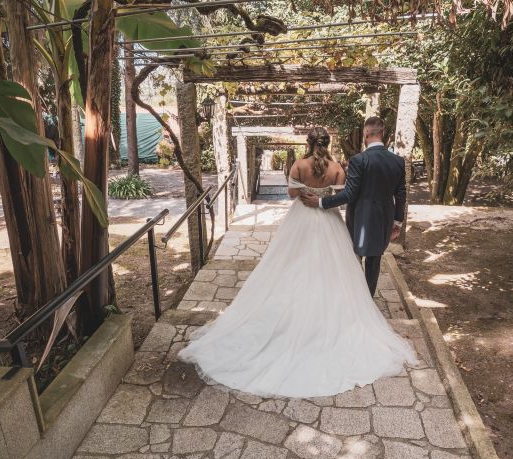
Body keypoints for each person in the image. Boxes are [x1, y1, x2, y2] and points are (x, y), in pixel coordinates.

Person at [177, 126, 417, 398]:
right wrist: (325, 197)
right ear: (328, 142)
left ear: (308, 142)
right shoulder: (338, 167)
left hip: (301, 219)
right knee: (334, 270)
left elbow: (291, 194)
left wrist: (306, 191)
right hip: (329, 222)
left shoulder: (299, 165)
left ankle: (294, 310)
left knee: (289, 265)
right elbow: (344, 195)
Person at [300, 117, 405, 297]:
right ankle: (368, 300)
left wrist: (319, 202)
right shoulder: (398, 161)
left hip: (360, 220)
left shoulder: (358, 160)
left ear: (365, 133)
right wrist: (397, 222)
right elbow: (401, 194)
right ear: (382, 133)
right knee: (374, 260)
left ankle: (355, 300)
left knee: (355, 259)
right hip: (384, 220)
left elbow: (349, 194)